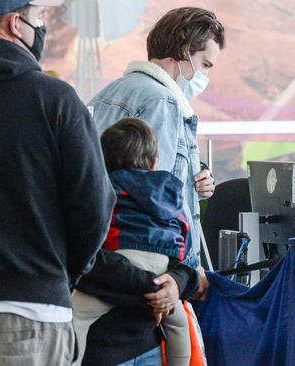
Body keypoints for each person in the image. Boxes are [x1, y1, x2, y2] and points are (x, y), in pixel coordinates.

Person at [0, 1, 115, 364]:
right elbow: (93, 208)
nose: (43, 26)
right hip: (32, 315)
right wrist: (58, 275)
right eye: (39, 17)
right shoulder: (55, 100)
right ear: (15, 24)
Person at [89, 6, 224, 288]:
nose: (205, 76)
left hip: (104, 251)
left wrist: (194, 174)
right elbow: (155, 196)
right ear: (185, 50)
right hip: (151, 265)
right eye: (205, 65)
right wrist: (182, 276)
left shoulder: (108, 94)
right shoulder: (163, 102)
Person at [72, 118, 193, 366]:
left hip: (118, 260)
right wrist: (163, 282)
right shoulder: (169, 193)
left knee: (76, 316)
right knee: (178, 324)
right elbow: (186, 242)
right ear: (153, 161)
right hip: (162, 270)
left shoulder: (101, 187)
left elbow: (86, 243)